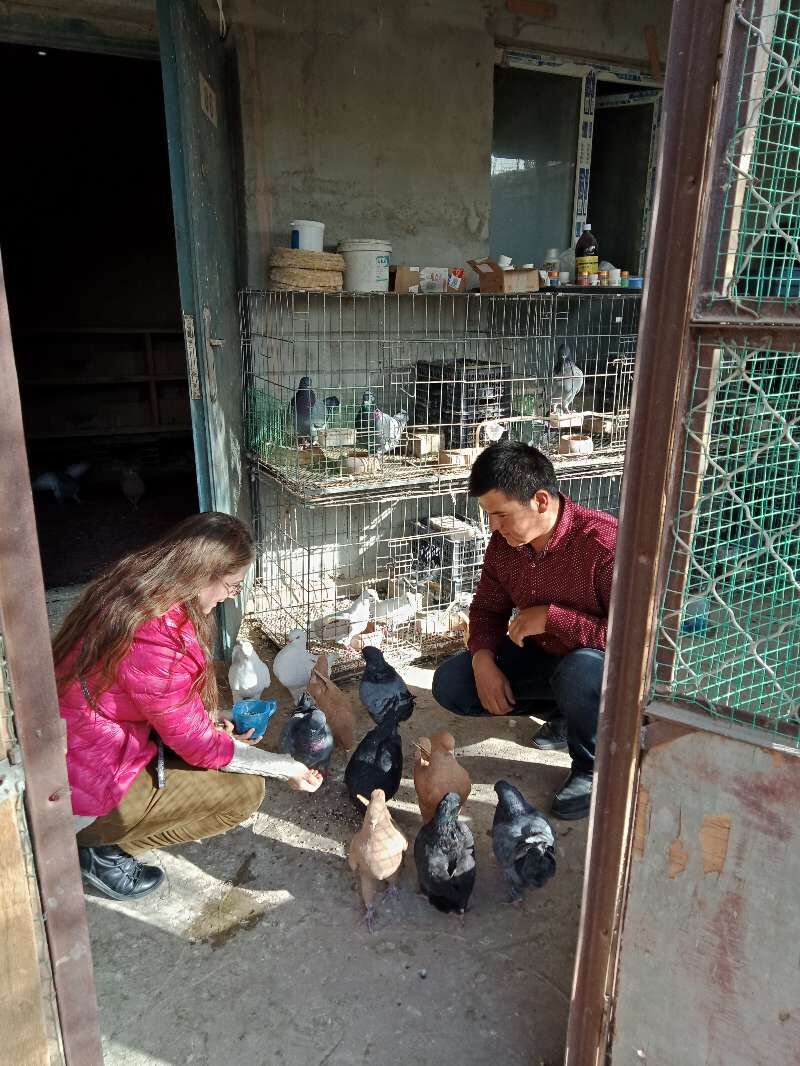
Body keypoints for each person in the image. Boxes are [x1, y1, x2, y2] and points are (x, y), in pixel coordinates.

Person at [54, 511, 321, 902]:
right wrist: (287, 768)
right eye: (232, 585)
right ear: (202, 573)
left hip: (78, 747)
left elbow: (151, 698)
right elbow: (201, 747)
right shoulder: (156, 637)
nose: (233, 595)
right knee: (244, 790)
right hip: (79, 786)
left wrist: (209, 717)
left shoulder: (133, 588)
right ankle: (91, 846)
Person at [432, 442, 616, 820]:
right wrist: (483, 661)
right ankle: (565, 717)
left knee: (579, 672)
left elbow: (635, 642)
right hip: (545, 658)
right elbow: (487, 610)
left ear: (541, 501)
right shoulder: (504, 545)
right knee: (452, 683)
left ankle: (592, 767)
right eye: (488, 516)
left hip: (598, 669)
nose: (493, 528)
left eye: (501, 515)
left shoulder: (604, 545)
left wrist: (553, 618)